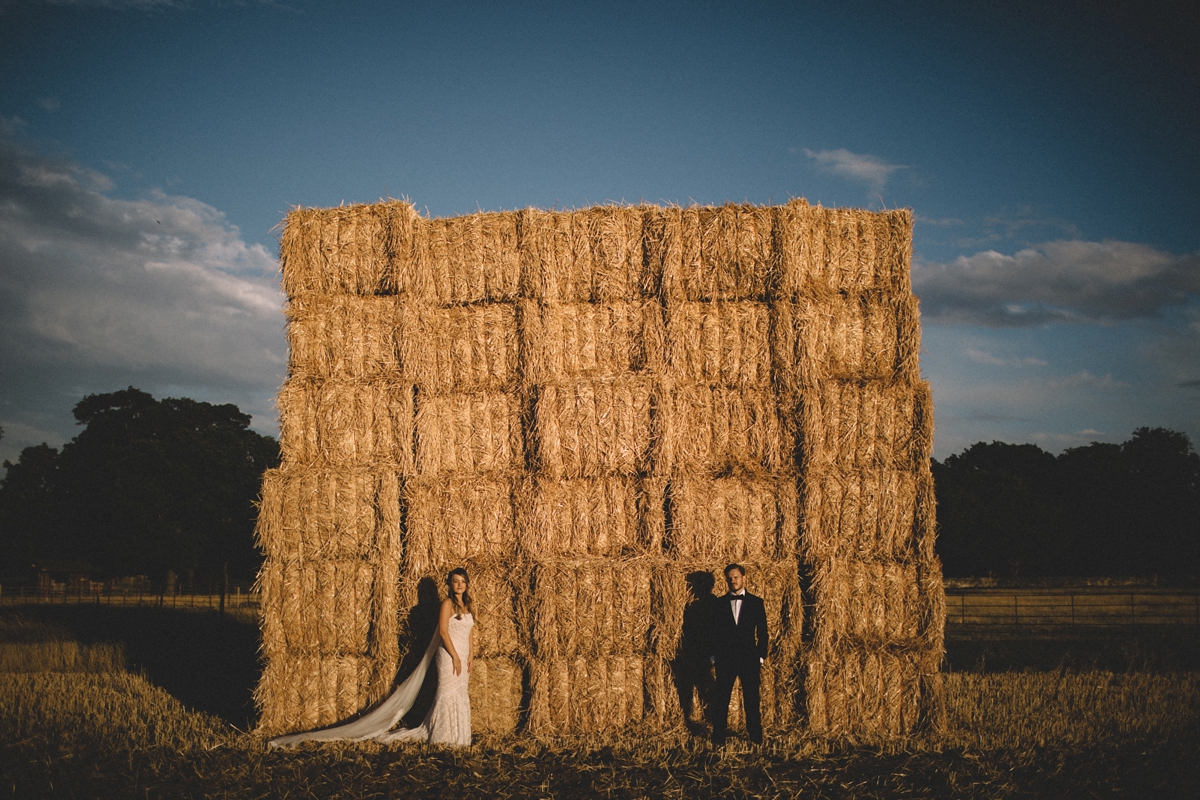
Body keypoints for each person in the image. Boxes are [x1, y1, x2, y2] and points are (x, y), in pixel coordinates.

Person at [268, 567, 475, 749]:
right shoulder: (447, 604)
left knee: (460, 693)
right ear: (449, 584)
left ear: (466, 584)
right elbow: (443, 632)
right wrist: (455, 657)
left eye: (463, 581)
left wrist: (470, 656)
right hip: (448, 656)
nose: (459, 585)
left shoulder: (467, 605)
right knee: (446, 693)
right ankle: (444, 735)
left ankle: (459, 736)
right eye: (455, 581)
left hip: (463, 655)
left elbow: (470, 632)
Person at [708, 563, 768, 746]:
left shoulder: (757, 603)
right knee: (722, 699)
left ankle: (756, 737)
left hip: (749, 659)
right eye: (730, 578)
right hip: (725, 659)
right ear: (726, 580)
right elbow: (712, 632)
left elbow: (763, 632)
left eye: (736, 577)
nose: (733, 581)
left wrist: (761, 655)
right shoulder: (718, 604)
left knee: (751, 699)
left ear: (744, 578)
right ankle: (718, 738)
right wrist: (713, 655)